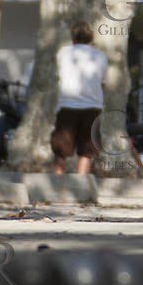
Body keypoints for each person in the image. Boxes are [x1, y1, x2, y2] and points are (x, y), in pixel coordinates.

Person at [52, 21, 108, 175]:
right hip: (92, 107)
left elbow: (58, 74)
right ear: (91, 38)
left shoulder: (63, 53)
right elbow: (104, 82)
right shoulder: (101, 56)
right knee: (86, 152)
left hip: (68, 106)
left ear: (73, 37)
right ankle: (81, 187)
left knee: (60, 151)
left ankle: (57, 185)